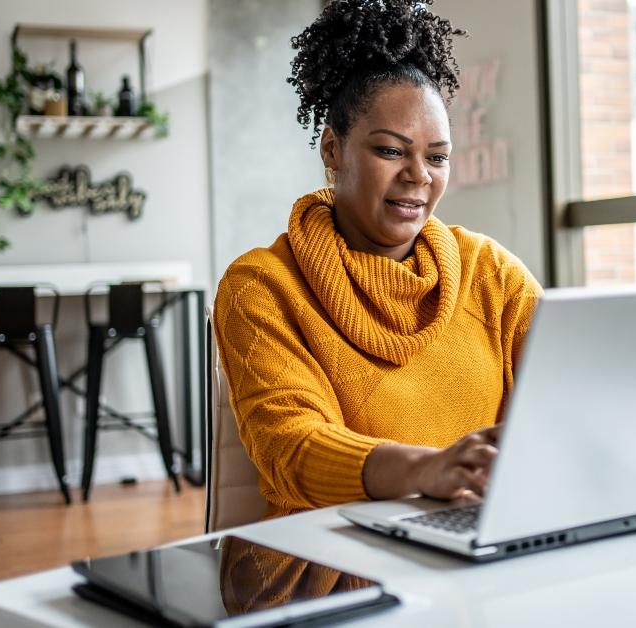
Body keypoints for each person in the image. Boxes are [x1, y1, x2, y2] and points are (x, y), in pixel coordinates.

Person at [214, 0, 542, 520]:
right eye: (391, 151)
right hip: (333, 563)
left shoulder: (492, 273)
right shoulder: (263, 286)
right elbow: (290, 448)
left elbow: (566, 406)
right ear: (332, 150)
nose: (419, 175)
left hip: (482, 543)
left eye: (437, 157)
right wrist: (424, 472)